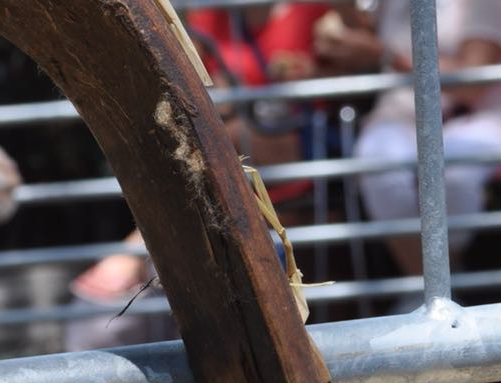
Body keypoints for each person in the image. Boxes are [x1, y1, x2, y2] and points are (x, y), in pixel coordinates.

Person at [66, 2, 330, 347]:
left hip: (280, 202)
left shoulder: (315, 15)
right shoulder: (207, 21)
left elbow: (269, 148)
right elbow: (189, 120)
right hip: (211, 197)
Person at [313, 0, 501, 282]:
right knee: (376, 163)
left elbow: (471, 86)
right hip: (403, 116)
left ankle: (432, 295)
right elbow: (368, 49)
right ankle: (435, 293)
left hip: (482, 117)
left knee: (452, 173)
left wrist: (386, 56)